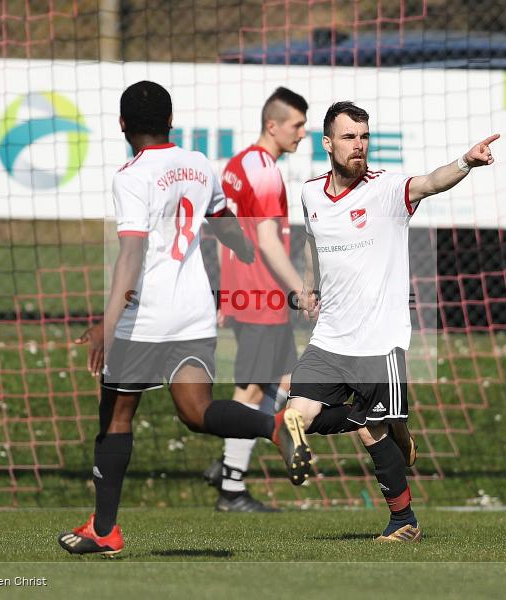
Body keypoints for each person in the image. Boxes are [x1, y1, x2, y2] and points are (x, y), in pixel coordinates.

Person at [57, 81, 310, 556]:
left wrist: (106, 324)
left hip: (143, 319)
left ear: (123, 125)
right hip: (194, 315)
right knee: (197, 411)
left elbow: (131, 254)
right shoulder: (197, 163)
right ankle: (274, 427)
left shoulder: (131, 176)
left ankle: (105, 530)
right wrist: (242, 246)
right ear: (171, 122)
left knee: (116, 417)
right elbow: (223, 218)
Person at [287, 101, 499, 542]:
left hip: (378, 341)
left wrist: (465, 162)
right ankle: (391, 422)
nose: (359, 145)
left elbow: (432, 181)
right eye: (349, 137)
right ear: (327, 143)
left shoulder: (386, 189)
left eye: (364, 136)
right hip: (329, 339)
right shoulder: (310, 193)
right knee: (296, 418)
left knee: (371, 433)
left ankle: (405, 521)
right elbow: (311, 240)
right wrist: (309, 288)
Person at [202, 87, 309, 512]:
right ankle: (231, 485)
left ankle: (228, 463)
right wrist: (300, 290)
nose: (302, 133)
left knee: (287, 382)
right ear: (273, 125)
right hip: (262, 296)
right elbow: (266, 241)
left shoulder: (237, 164)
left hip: (249, 294)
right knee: (249, 390)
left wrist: (226, 294)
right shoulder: (264, 170)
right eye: (297, 125)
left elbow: (223, 234)